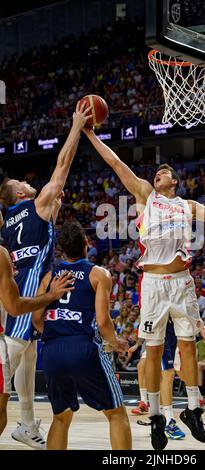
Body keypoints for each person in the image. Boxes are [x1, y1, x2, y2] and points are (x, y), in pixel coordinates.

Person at [83, 129, 205, 450]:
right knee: (152, 352)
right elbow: (116, 162)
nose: (157, 174)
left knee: (188, 346)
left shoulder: (187, 205)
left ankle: (193, 410)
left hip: (182, 282)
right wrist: (90, 135)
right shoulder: (146, 195)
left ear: (174, 181)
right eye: (156, 173)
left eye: (163, 172)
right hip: (152, 284)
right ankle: (155, 418)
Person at [0, 102, 92, 449]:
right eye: (22, 182)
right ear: (21, 195)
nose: (27, 182)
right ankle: (20, 418)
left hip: (13, 285)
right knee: (14, 351)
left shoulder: (9, 220)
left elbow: (37, 236)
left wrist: (52, 209)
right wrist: (76, 125)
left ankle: (25, 422)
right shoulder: (32, 205)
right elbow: (63, 164)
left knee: (28, 354)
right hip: (25, 291)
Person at [32, 221, 132, 450]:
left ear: (62, 249)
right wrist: (116, 342)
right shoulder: (99, 274)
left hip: (51, 350)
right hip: (83, 348)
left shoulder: (50, 277)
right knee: (116, 414)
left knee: (60, 417)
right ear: (87, 243)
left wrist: (58, 334)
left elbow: (36, 319)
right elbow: (104, 321)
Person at [0, 245, 73, 436]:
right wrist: (49, 296)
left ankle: (28, 424)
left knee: (29, 351)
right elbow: (14, 307)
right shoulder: (1, 254)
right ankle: (27, 425)